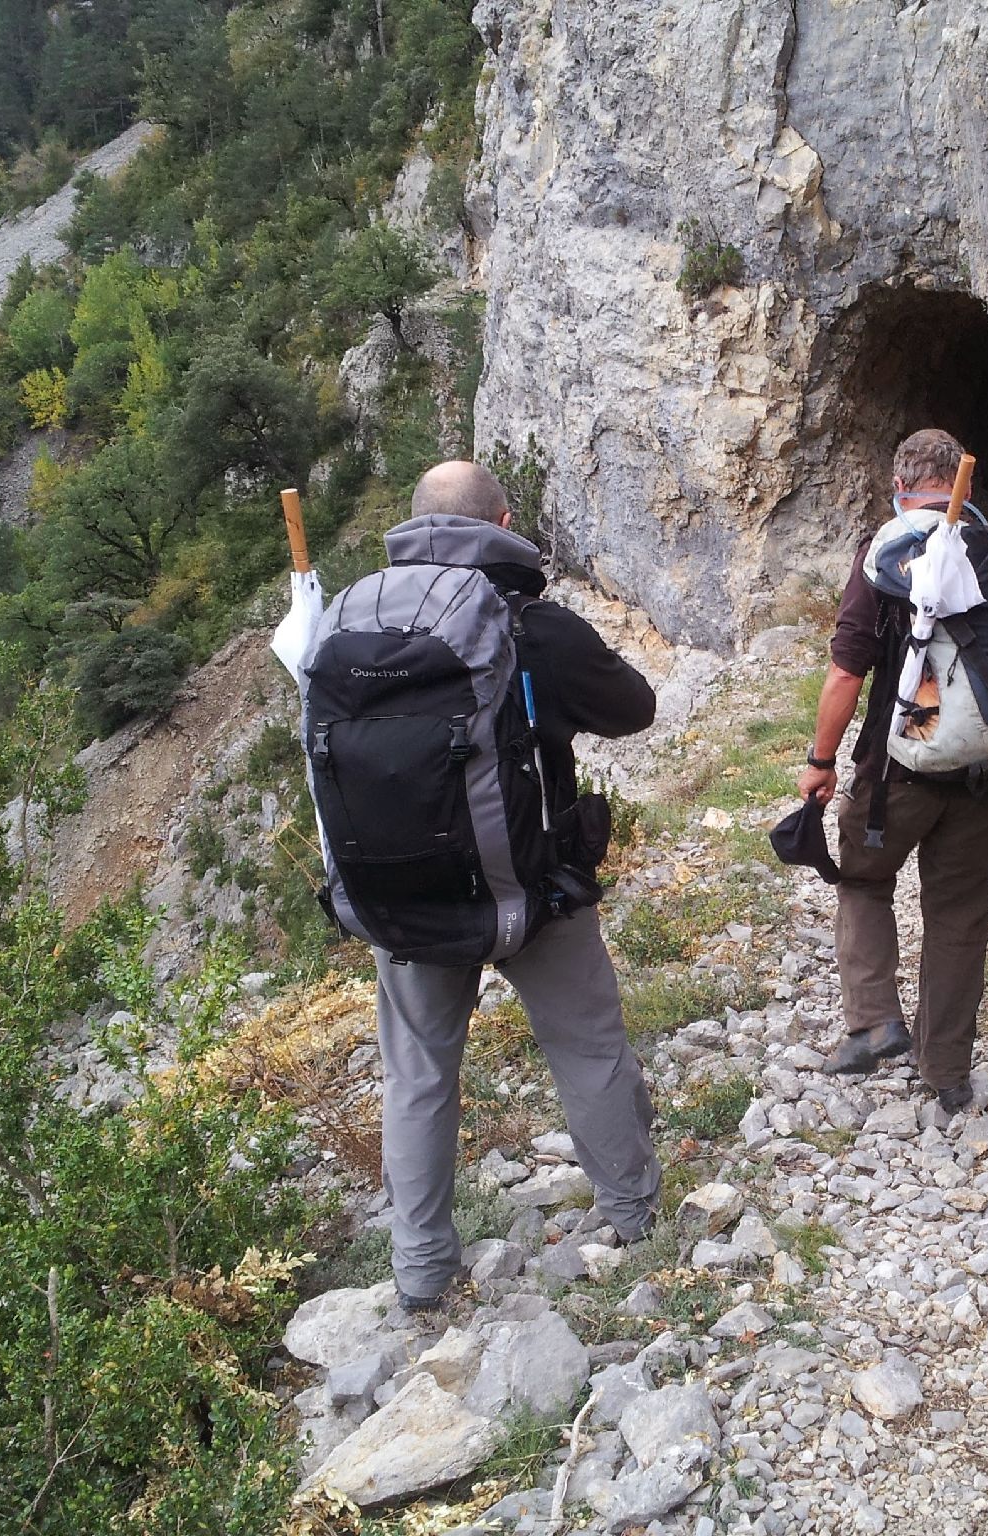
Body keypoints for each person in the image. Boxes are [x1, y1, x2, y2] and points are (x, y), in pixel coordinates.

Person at [373, 461, 662, 1311]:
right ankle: (636, 1218)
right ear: (502, 524)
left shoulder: (355, 619)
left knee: (418, 1075)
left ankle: (421, 1272)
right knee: (587, 1047)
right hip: (530, 890)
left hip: (404, 900)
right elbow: (635, 708)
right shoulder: (530, 624)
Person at [796, 427, 988, 1114]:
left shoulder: (886, 552)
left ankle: (874, 1021)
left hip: (895, 772)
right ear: (964, 482)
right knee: (960, 918)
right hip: (986, 772)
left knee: (862, 879)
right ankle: (947, 1073)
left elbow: (847, 671)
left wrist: (820, 762)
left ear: (900, 486)